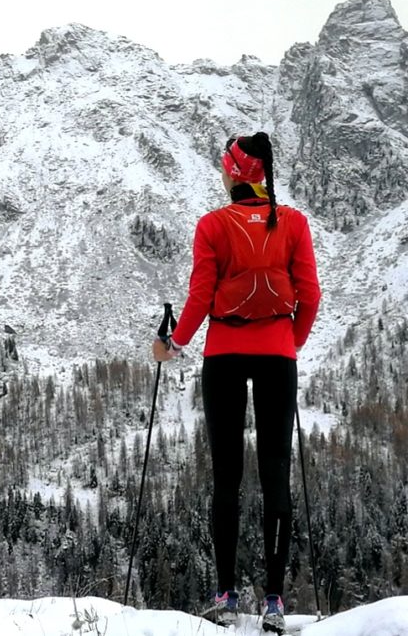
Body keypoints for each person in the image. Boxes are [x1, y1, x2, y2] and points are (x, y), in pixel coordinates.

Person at [152, 132, 321, 633]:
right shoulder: (292, 223)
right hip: (277, 356)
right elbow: (309, 295)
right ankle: (273, 601)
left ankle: (224, 595)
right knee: (275, 476)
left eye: (225, 168)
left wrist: (173, 344)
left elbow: (201, 295)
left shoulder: (213, 225)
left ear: (233, 174)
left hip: (224, 353)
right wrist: (289, 340)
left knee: (226, 477)